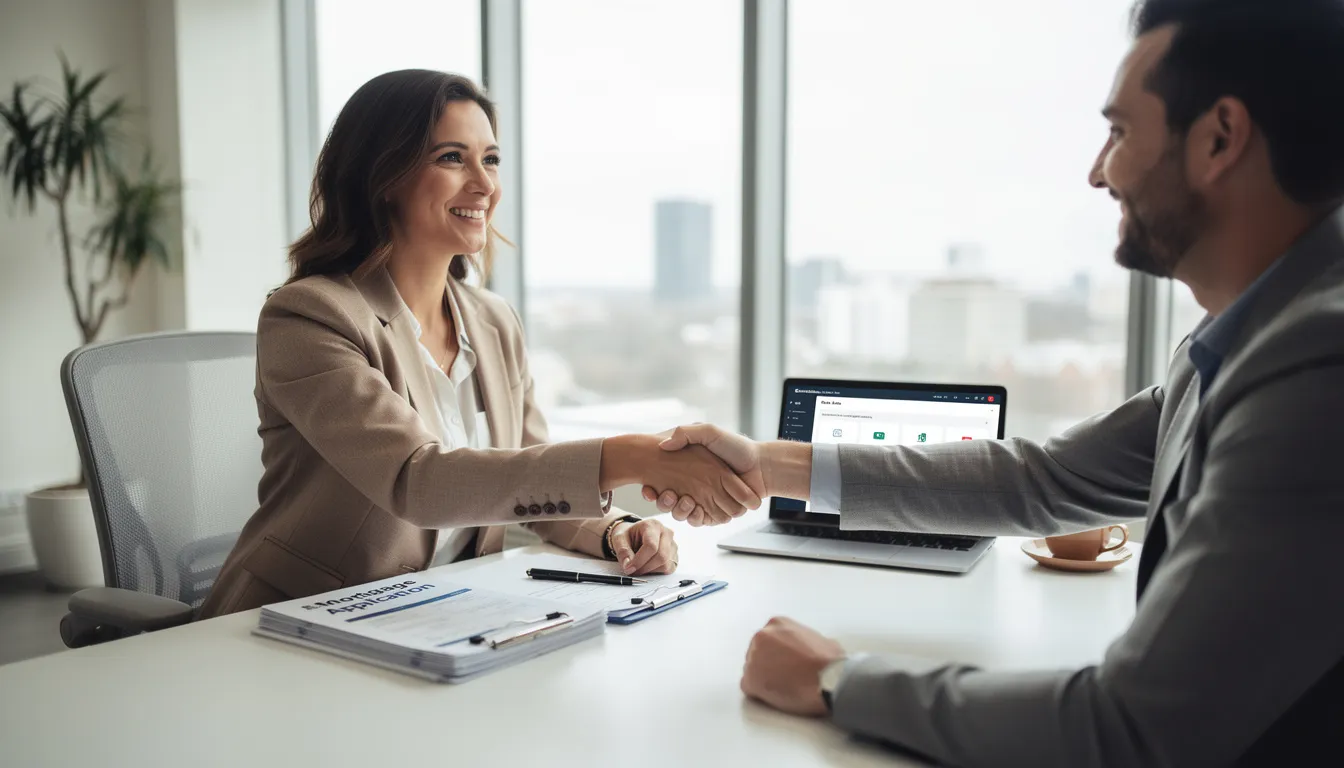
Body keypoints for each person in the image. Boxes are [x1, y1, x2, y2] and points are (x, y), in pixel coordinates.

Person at [643, 0, 1344, 764]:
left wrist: (841, 679)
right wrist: (768, 464)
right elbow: (1039, 479)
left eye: (1119, 131)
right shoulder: (1237, 343)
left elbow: (1132, 730)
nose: (1097, 171)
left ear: (1219, 139)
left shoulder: (1317, 368)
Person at [199, 70, 759, 619]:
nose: (485, 184)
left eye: (490, 159)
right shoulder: (310, 317)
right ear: (383, 176)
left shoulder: (493, 321)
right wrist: (630, 456)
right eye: (451, 157)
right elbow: (416, 480)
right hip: (292, 620)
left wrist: (615, 531)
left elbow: (534, 492)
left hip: (434, 617)